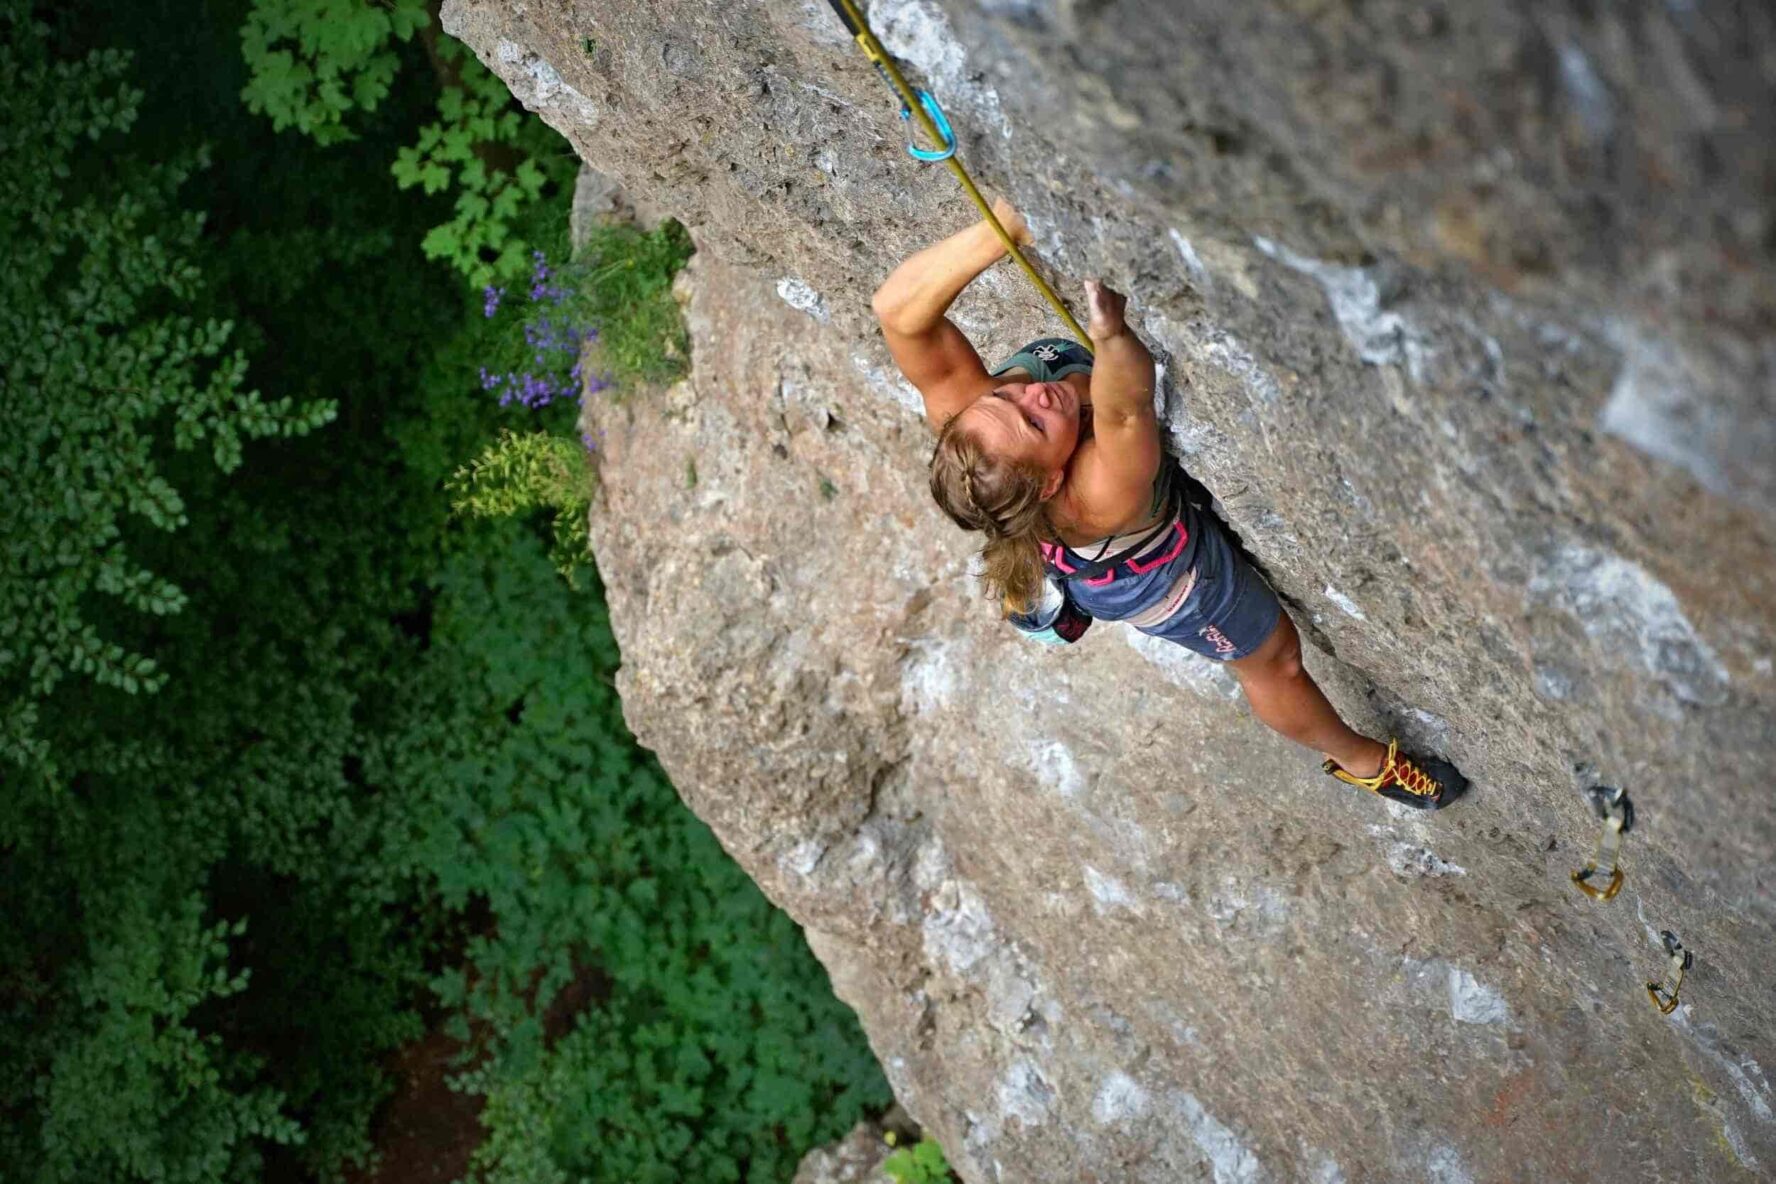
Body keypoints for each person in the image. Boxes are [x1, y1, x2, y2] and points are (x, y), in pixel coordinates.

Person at [870, 198, 1468, 809]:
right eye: (1033, 424)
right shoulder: (1095, 490)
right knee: (1273, 661)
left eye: (1006, 399)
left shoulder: (973, 423)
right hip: (1162, 575)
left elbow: (896, 312)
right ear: (1050, 482)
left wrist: (1008, 223)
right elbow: (1127, 406)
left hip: (1077, 500)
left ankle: (1034, 572)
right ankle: (1363, 762)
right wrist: (1108, 332)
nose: (1033, 396)